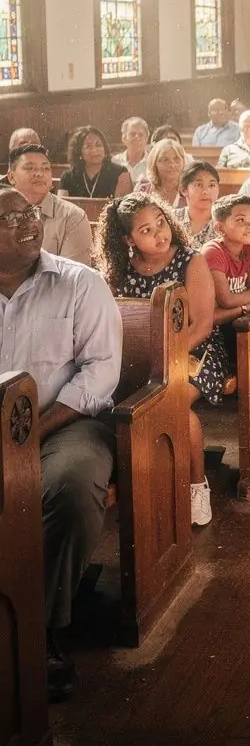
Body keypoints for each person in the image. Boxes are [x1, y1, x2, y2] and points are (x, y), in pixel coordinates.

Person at [0, 187, 123, 699]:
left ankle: (38, 631)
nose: (27, 222)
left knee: (70, 491)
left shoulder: (79, 283)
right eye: (8, 218)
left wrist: (33, 434)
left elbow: (100, 372)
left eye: (29, 212)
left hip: (66, 423)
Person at [95, 196, 231, 529]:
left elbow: (201, 324)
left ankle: (196, 485)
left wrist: (163, 357)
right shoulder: (119, 269)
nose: (160, 233)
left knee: (171, 406)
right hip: (140, 357)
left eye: (161, 222)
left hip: (195, 352)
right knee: (119, 404)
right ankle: (137, 484)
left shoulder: (189, 260)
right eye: (146, 230)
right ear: (128, 240)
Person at [7, 144, 92, 265]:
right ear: (11, 177)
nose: (39, 173)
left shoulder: (72, 216)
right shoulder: (3, 211)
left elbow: (73, 277)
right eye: (30, 168)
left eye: (45, 168)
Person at [202, 195, 250, 329]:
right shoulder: (212, 252)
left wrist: (245, 302)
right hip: (212, 328)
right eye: (241, 220)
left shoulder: (247, 247)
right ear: (220, 229)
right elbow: (227, 300)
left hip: (235, 320)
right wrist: (248, 305)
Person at [58, 126, 132, 200]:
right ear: (78, 151)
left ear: (104, 148)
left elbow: (122, 208)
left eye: (98, 145)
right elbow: (62, 207)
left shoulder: (120, 173)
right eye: (88, 146)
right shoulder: (68, 176)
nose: (94, 150)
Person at [135, 138, 187, 209]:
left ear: (183, 162)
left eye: (176, 159)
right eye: (165, 160)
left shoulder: (191, 189)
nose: (172, 165)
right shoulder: (143, 189)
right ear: (154, 163)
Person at [179, 161, 220, 250]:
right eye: (199, 185)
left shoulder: (224, 223)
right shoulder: (172, 219)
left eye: (212, 185)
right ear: (184, 190)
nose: (206, 191)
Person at [113, 116, 150, 183]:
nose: (137, 137)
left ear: (146, 139)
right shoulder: (114, 162)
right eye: (132, 134)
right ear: (124, 138)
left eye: (141, 134)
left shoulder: (153, 163)